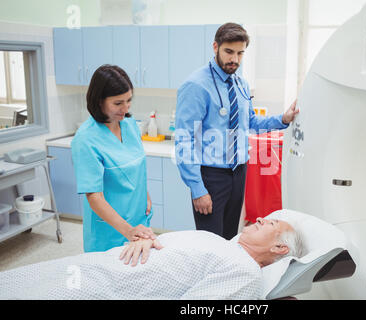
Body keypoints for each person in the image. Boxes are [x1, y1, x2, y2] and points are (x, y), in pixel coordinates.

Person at [175, 22, 299, 240]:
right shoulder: (196, 85)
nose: (234, 60)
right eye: (229, 52)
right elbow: (185, 140)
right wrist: (197, 188)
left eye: (240, 53)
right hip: (211, 176)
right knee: (209, 243)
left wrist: (282, 119)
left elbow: (250, 121)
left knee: (230, 238)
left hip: (239, 173)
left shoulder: (240, 83)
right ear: (215, 47)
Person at [0, 217, 302, 300]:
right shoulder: (220, 242)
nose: (262, 218)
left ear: (279, 249)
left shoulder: (244, 272)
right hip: (106, 263)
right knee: (30, 278)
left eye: (272, 224)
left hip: (115, 286)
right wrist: (148, 237)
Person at [71, 65, 161, 252]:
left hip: (139, 219)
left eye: (128, 101)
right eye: (118, 103)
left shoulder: (130, 125)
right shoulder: (86, 140)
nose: (125, 108)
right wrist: (128, 231)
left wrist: (146, 195)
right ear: (99, 101)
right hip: (111, 230)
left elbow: (137, 168)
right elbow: (94, 196)